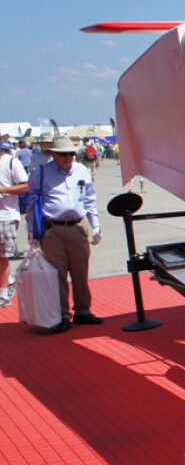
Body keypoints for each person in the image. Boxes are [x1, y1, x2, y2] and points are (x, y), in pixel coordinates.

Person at [25, 136, 102, 333]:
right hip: (53, 229)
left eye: (70, 154)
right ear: (53, 154)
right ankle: (61, 314)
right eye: (62, 154)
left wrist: (95, 225)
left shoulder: (82, 170)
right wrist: (33, 232)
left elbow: (90, 200)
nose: (67, 158)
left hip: (76, 226)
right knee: (57, 274)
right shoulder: (41, 172)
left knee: (80, 271)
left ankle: (83, 311)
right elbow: (32, 203)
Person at [0, 140, 29, 308]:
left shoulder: (11, 162)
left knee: (2, 256)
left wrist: (2, 190)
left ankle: (3, 292)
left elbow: (26, 186)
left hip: (5, 215)